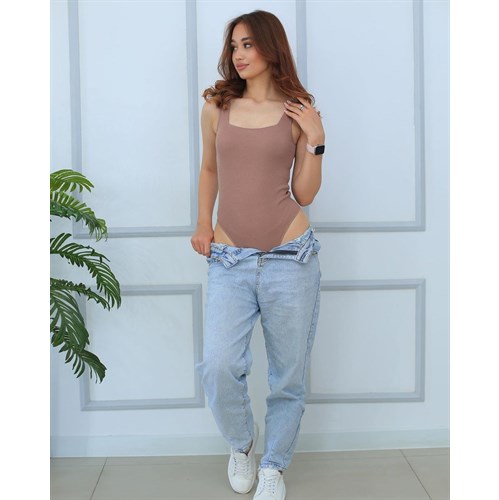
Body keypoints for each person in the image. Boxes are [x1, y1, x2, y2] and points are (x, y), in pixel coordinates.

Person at [191, 10, 325, 500]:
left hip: (292, 256)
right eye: (233, 46)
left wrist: (316, 140)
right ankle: (243, 444)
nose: (238, 55)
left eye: (247, 44)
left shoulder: (298, 109)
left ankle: (274, 465)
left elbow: (304, 193)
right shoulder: (217, 106)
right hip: (230, 258)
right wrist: (203, 222)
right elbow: (210, 169)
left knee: (287, 376)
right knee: (218, 365)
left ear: (271, 46)